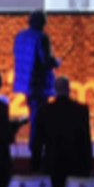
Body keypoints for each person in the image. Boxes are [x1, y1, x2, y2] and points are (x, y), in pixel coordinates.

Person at [32, 75, 93, 187]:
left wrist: (35, 166)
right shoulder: (81, 111)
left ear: (54, 90)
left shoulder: (44, 111)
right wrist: (88, 166)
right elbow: (86, 141)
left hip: (52, 165)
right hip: (75, 166)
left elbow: (37, 141)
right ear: (69, 89)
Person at [12, 11, 61, 140]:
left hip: (25, 83)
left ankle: (34, 145)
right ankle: (36, 147)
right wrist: (56, 62)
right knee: (39, 118)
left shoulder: (20, 36)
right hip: (39, 85)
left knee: (34, 114)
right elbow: (45, 61)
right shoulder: (41, 37)